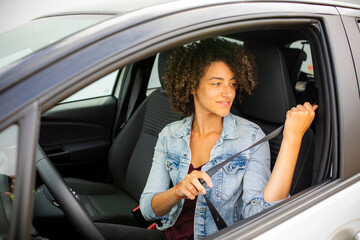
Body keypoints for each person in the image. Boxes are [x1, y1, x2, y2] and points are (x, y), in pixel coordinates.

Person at [140, 38, 317, 239]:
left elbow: (261, 214)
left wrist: (292, 138)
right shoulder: (170, 135)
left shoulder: (251, 137)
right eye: (217, 83)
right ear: (191, 86)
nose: (228, 92)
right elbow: (148, 209)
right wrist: (178, 191)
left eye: (232, 83)